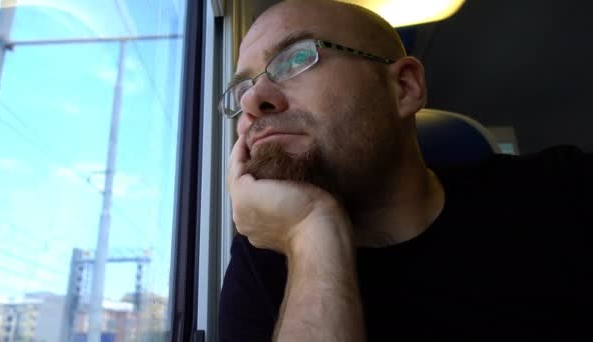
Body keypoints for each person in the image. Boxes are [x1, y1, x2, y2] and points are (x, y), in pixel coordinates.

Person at [218, 0, 593, 340]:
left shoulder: (560, 190)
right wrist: (312, 231)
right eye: (241, 90)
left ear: (404, 87)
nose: (251, 100)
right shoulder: (259, 267)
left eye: (296, 59)